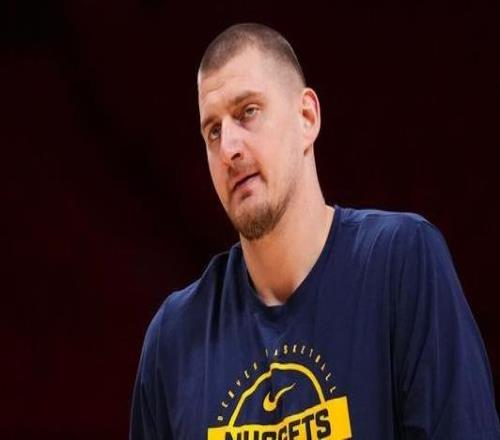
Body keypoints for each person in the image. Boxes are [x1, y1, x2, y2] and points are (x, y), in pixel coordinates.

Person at [129, 23, 500, 439]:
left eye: (248, 112)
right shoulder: (173, 339)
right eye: (213, 131)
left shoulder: (402, 263)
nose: (228, 148)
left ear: (306, 117)